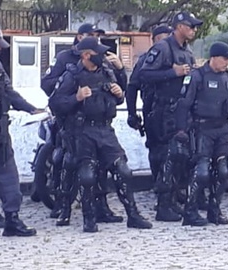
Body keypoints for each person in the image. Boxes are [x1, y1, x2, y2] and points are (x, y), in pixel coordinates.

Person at [49, 37, 152, 232]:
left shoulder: (106, 71)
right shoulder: (72, 76)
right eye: (98, 53)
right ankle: (89, 219)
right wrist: (76, 98)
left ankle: (133, 215)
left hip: (105, 130)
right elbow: (55, 103)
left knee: (123, 171)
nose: (103, 56)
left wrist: (118, 94)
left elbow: (116, 99)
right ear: (86, 55)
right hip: (83, 131)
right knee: (87, 176)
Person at [43, 22, 127, 224]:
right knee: (67, 161)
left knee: (101, 167)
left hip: (98, 125)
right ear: (80, 38)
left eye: (98, 35)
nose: (96, 38)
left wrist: (120, 69)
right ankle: (62, 206)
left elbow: (118, 88)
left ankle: (101, 207)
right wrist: (74, 90)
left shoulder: (103, 61)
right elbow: (49, 87)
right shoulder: (65, 58)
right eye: (92, 35)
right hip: (71, 122)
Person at [138, 11, 202, 221]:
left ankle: (173, 200)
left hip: (181, 111)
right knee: (168, 157)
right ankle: (163, 206)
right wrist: (172, 72)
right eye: (190, 26)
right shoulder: (163, 48)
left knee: (180, 158)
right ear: (180, 26)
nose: (194, 30)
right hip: (164, 111)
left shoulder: (187, 51)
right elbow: (144, 75)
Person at [176, 42, 228, 225]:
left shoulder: (227, 77)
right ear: (214, 57)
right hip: (202, 129)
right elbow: (184, 104)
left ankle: (214, 210)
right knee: (202, 172)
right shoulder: (197, 76)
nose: (227, 63)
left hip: (222, 130)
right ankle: (190, 212)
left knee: (224, 172)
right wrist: (181, 130)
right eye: (224, 59)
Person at [0, 25, 41, 237]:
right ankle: (8, 218)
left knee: (2, 173)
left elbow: (9, 93)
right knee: (7, 174)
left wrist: (31, 108)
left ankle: (3, 217)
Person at [126, 25, 173, 176]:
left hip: (176, 112)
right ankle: (158, 181)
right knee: (156, 151)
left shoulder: (178, 57)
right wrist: (132, 114)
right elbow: (132, 88)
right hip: (153, 110)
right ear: (156, 40)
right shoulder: (145, 61)